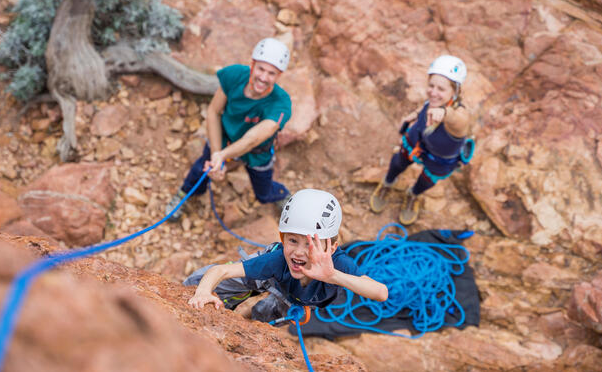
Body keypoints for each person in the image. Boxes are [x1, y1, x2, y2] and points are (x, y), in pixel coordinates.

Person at [186, 189, 389, 322]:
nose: (299, 252)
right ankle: (237, 298)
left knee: (264, 318)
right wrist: (203, 291)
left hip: (294, 299)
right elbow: (221, 271)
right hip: (274, 274)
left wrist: (332, 276)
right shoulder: (278, 260)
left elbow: (380, 292)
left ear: (332, 248)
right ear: (283, 239)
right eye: (292, 241)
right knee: (195, 282)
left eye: (310, 244)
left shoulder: (337, 264)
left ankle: (247, 321)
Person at [165, 38, 293, 219]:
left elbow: (253, 139)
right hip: (225, 138)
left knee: (263, 193)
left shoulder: (281, 103)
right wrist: (216, 154)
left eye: (271, 73)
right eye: (261, 69)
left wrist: (220, 157)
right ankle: (185, 193)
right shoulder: (234, 76)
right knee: (202, 169)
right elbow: (214, 111)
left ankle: (282, 195)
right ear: (252, 65)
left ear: (279, 76)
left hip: (257, 151)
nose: (264, 77)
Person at [369, 55, 473, 225]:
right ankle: (387, 182)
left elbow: (458, 120)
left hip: (439, 159)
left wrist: (444, 113)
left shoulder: (459, 117)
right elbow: (427, 104)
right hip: (419, 140)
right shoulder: (434, 101)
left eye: (441, 89)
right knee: (398, 162)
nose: (433, 92)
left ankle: (413, 194)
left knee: (425, 181)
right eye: (431, 85)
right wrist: (416, 115)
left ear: (455, 92)